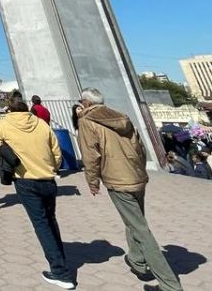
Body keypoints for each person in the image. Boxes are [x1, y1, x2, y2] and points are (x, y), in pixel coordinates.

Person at [76, 88, 183, 291]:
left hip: (117, 180)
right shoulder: (121, 116)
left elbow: (91, 155)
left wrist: (92, 181)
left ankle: (170, 285)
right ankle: (137, 261)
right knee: (134, 220)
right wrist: (139, 169)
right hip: (136, 176)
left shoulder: (87, 121)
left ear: (86, 103)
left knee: (140, 229)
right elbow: (140, 147)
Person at [0, 101, 74, 289]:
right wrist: (52, 167)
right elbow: (56, 151)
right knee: (51, 220)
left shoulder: (2, 125)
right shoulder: (41, 124)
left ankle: (60, 272)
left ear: (9, 110)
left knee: (41, 224)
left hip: (25, 180)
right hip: (48, 179)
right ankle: (60, 260)